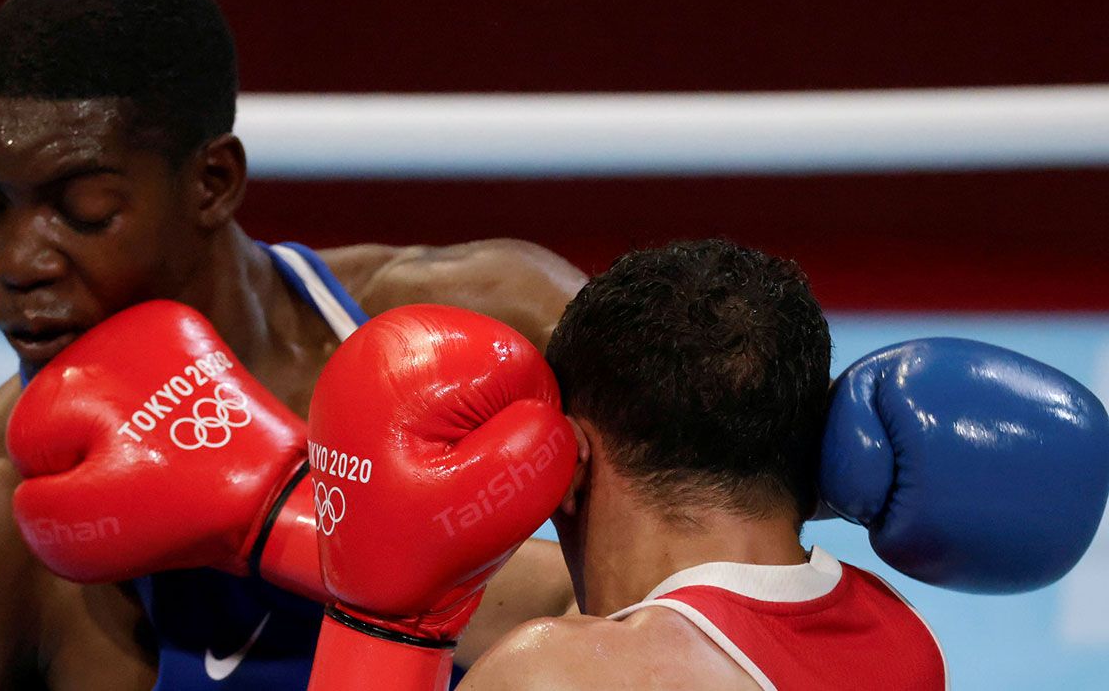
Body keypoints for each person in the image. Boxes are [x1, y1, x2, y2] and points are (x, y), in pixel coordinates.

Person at [0, 0, 584, 690]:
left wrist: (289, 524)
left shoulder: (492, 317)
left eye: (82, 207)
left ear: (212, 182)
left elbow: (706, 606)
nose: (18, 260)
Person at [299, 240, 1109, 690]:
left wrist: (378, 628)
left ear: (568, 461)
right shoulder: (900, 639)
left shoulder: (560, 678)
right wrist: (274, 510)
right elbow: (509, 590)